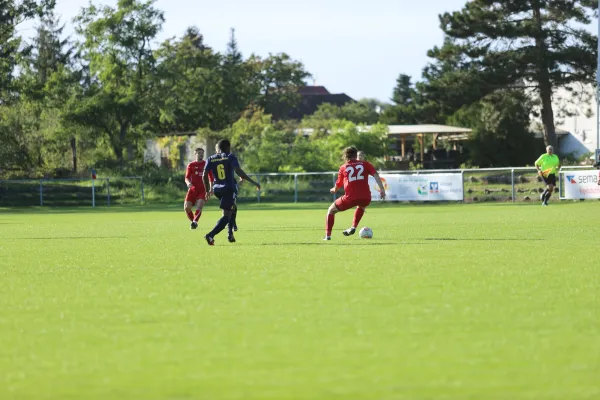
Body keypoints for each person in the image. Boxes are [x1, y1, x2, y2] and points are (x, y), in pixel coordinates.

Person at [202, 139, 260, 245]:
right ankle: (210, 235)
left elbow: (204, 175)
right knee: (226, 215)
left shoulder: (211, 158)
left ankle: (230, 233)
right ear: (228, 147)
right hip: (228, 188)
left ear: (218, 148)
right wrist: (253, 182)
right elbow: (238, 171)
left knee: (232, 208)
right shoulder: (230, 157)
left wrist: (206, 190)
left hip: (217, 189)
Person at [324, 146, 386, 240]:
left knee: (331, 210)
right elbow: (376, 175)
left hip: (350, 198)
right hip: (366, 197)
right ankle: (353, 227)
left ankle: (328, 236)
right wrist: (382, 190)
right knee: (361, 206)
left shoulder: (343, 167)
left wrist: (334, 189)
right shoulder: (366, 164)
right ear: (355, 155)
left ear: (345, 156)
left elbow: (339, 184)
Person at [184, 148, 207, 229]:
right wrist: (188, 183)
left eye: (202, 153)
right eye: (199, 153)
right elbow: (186, 178)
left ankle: (195, 222)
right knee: (187, 208)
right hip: (193, 189)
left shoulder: (206, 164)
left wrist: (211, 188)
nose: (201, 154)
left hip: (203, 189)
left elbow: (211, 176)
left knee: (199, 206)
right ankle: (194, 222)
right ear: (195, 154)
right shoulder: (191, 165)